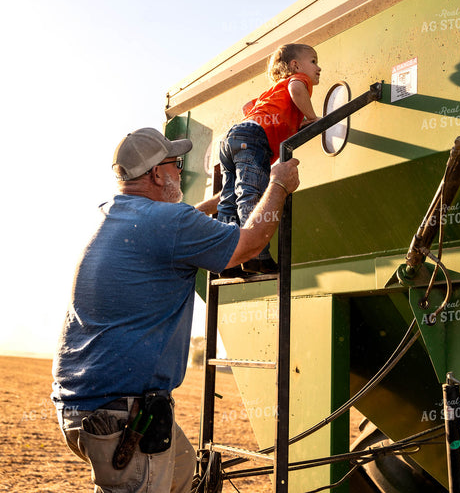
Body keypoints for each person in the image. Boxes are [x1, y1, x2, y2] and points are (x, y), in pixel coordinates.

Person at [51, 126, 299, 493]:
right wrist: (277, 185)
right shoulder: (169, 223)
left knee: (182, 475)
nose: (181, 172)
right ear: (155, 173)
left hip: (84, 407)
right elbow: (247, 246)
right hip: (121, 416)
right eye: (176, 164)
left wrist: (217, 201)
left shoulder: (117, 215)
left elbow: (174, 229)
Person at [217, 43, 320, 275]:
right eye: (313, 61)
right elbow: (296, 89)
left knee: (229, 199)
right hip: (253, 138)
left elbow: (249, 107)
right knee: (252, 194)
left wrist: (296, 124)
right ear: (295, 65)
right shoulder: (298, 80)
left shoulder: (272, 92)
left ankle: (226, 259)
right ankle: (257, 256)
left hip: (232, 138)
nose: (318, 67)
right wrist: (313, 118)